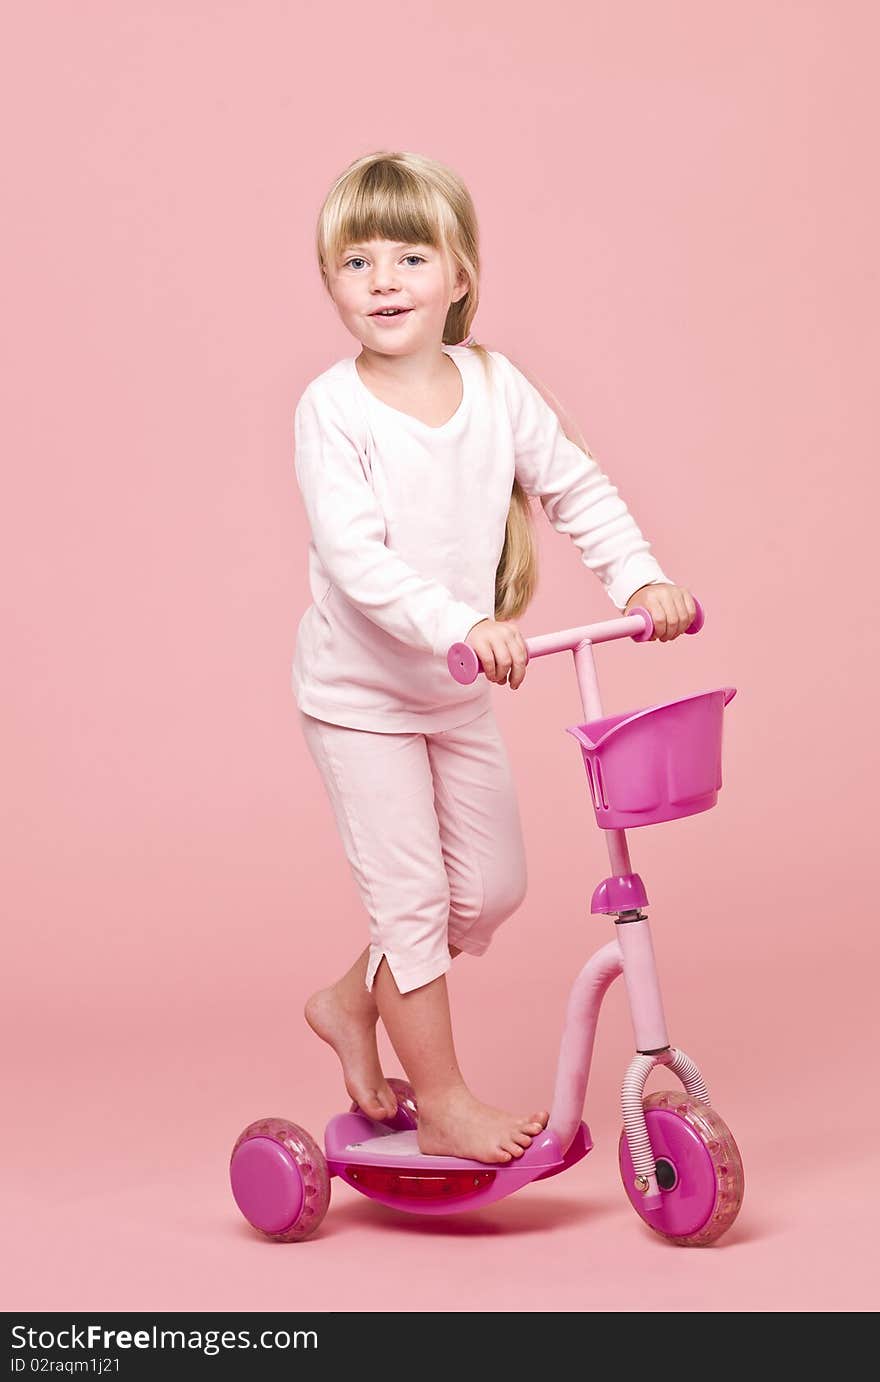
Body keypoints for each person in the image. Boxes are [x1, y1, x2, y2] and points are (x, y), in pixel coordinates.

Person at [292, 151, 696, 1165]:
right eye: (356, 261)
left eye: (410, 256)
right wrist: (459, 624)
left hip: (454, 692)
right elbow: (356, 559)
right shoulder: (330, 409)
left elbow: (577, 489)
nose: (383, 280)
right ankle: (444, 1098)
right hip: (360, 698)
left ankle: (351, 998)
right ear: (331, 282)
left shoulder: (493, 384)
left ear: (459, 275)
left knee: (491, 890)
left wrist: (640, 580)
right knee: (412, 901)